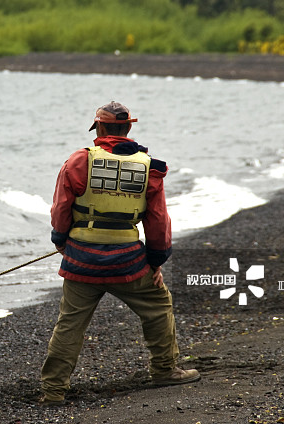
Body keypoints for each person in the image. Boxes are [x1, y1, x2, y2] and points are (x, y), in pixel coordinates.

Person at [40, 101, 199, 406]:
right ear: (127, 128)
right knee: (158, 306)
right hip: (129, 262)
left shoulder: (79, 160)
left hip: (81, 262)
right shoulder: (149, 167)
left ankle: (53, 390)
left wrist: (60, 240)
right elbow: (158, 220)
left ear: (99, 127)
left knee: (70, 324)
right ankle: (165, 370)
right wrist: (156, 262)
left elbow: (60, 208)